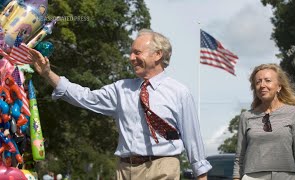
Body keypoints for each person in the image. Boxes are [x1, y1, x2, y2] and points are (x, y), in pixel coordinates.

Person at [29, 29, 212, 180]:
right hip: (124, 170)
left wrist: (201, 176)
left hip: (163, 167)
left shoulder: (179, 92)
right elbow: (85, 97)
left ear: (158, 55)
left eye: (137, 52)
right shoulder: (121, 89)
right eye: (131, 52)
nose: (131, 57)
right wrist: (47, 73)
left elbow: (192, 138)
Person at [233, 63, 295, 180]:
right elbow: (239, 158)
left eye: (267, 80)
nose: (262, 85)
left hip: (286, 176)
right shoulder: (246, 116)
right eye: (258, 82)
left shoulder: (294, 113)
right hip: (252, 177)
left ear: (279, 86)